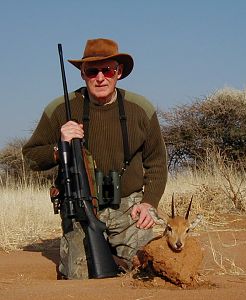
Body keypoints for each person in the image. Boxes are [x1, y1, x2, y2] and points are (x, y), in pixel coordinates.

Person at [22, 38, 168, 279]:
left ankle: (117, 254)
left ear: (118, 72)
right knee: (80, 276)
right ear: (82, 74)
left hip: (129, 208)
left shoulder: (141, 109)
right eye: (92, 71)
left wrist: (148, 203)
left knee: (149, 265)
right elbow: (30, 157)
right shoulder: (60, 109)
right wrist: (60, 147)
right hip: (82, 208)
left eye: (107, 70)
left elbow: (157, 162)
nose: (100, 77)